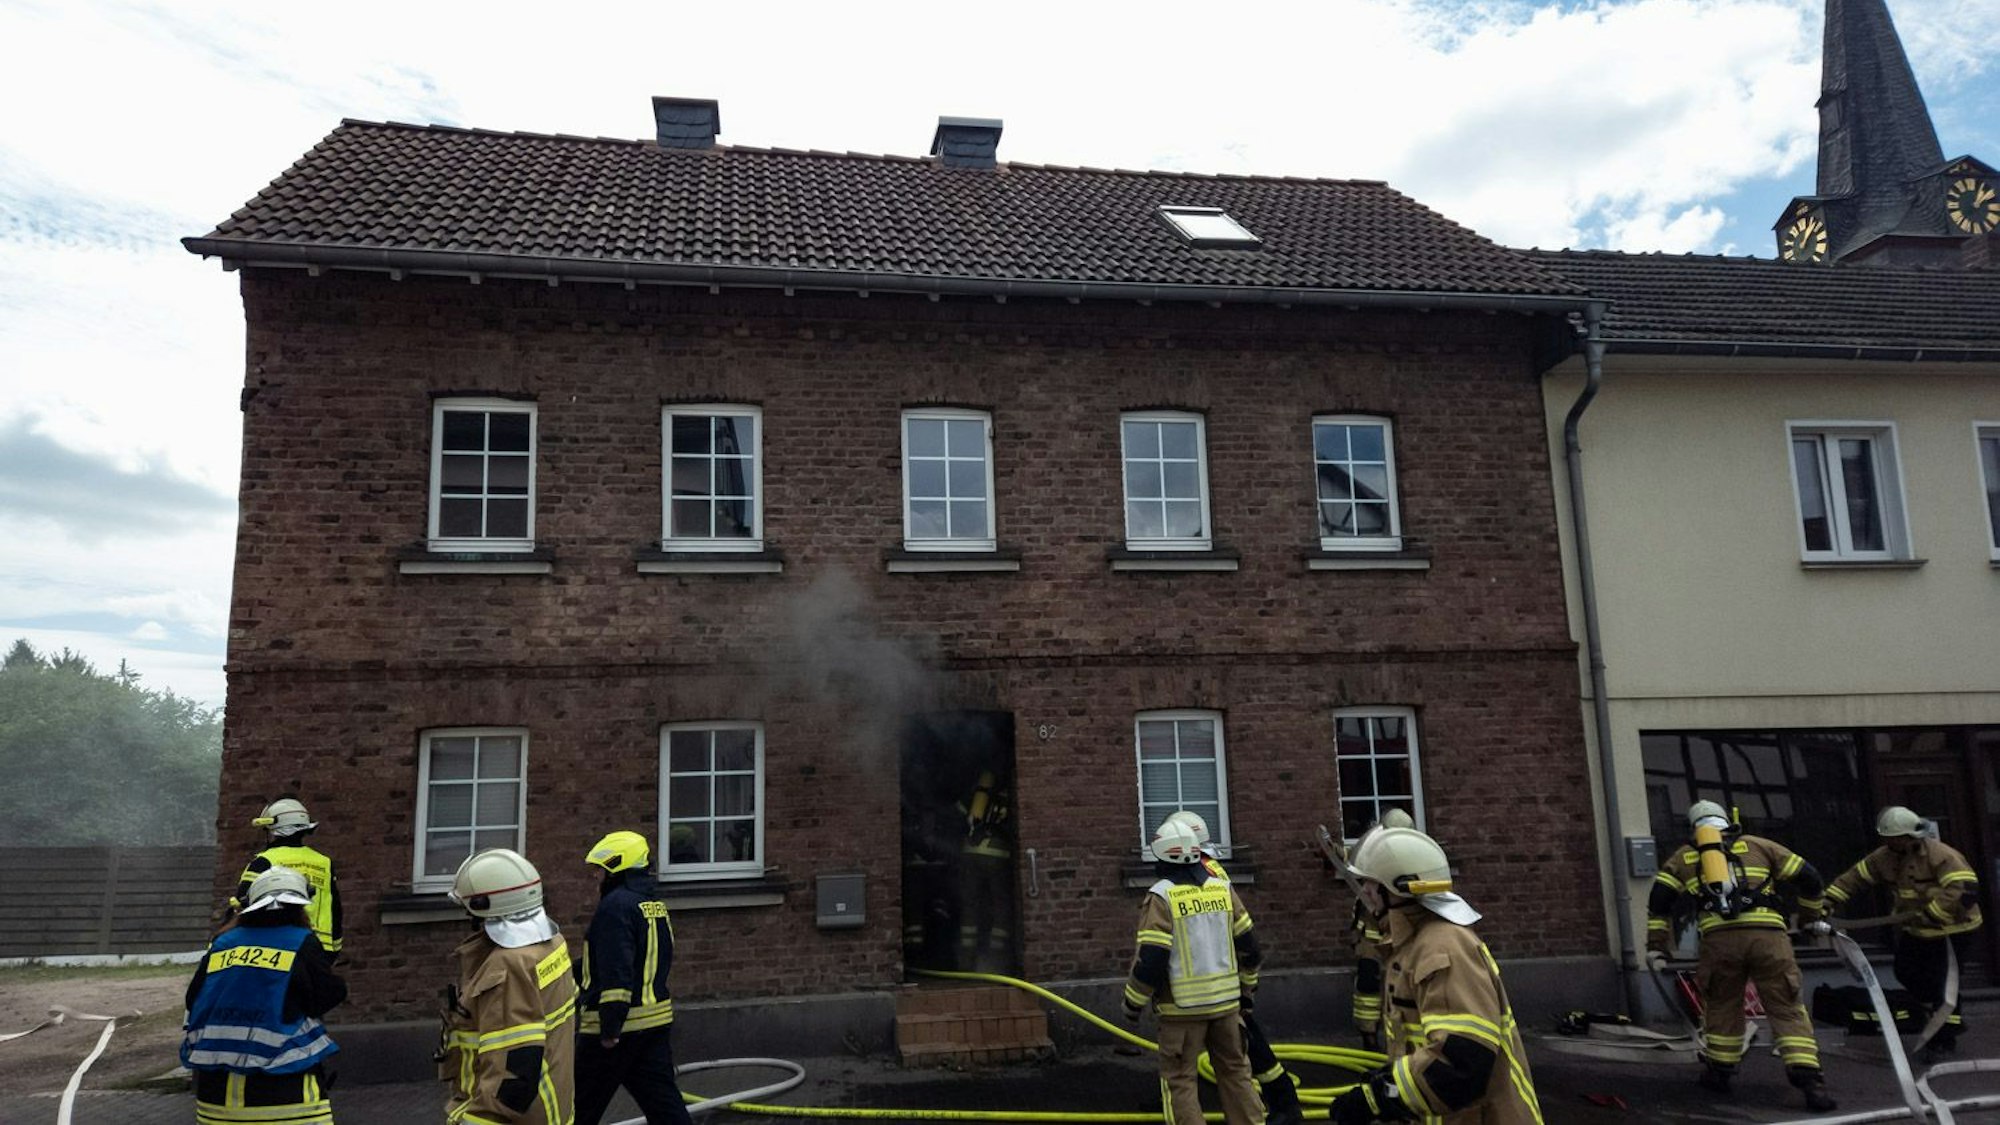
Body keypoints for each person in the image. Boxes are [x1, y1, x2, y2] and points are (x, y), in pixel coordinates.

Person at [1327, 826, 1540, 1125]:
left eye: (1371, 885)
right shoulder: (1412, 946)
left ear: (1398, 890)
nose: (1365, 894)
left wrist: (1379, 1099)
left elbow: (1462, 1063)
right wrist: (1390, 1078)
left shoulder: (1443, 949)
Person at [1646, 800, 1834, 1111]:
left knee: (1721, 1007)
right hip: (1769, 940)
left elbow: (1659, 901)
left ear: (1693, 827)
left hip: (1720, 944)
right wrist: (1811, 917)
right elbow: (1810, 878)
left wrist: (1657, 945)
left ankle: (1719, 1074)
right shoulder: (1760, 845)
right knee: (1786, 1007)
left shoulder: (1684, 857)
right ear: (1728, 820)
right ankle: (1810, 1083)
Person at [1162, 809, 1304, 1125]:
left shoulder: (1200, 876)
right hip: (1227, 979)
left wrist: (1246, 988)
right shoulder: (1215, 870)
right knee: (1240, 1058)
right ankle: (1280, 1101)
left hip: (1210, 982)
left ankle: (1282, 1102)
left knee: (1223, 1062)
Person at [1123, 817, 1264, 1125]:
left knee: (1180, 1082)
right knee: (1237, 1074)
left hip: (1181, 1013)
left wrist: (1131, 1005)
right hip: (1227, 1008)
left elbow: (1151, 962)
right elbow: (1251, 950)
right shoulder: (1223, 889)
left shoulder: (1161, 897)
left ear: (1160, 857)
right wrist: (1247, 993)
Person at [182, 865, 345, 1125]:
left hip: (215, 1099)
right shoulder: (299, 941)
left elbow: (193, 999)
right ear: (299, 907)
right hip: (286, 1098)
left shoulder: (223, 943)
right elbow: (324, 996)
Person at [1825, 806, 1983, 1056]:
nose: (1889, 842)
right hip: (1918, 929)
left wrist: (1934, 914)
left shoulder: (1941, 855)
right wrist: (1827, 902)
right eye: (1887, 838)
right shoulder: (1883, 857)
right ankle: (1941, 1013)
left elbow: (1964, 889)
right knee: (1906, 972)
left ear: (1909, 836)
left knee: (1942, 981)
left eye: (1894, 838)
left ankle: (1944, 1037)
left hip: (1953, 930)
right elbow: (1854, 879)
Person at [440, 848, 577, 1125]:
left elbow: (513, 1067)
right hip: (550, 1104)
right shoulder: (550, 943)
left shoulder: (508, 967)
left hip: (510, 1116)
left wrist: (478, 1119)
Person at [575, 831, 693, 1125]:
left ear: (616, 867)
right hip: (654, 1026)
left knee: (578, 1109)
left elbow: (617, 971)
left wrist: (609, 1029)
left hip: (617, 1030)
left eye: (600, 871)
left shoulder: (614, 907)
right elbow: (638, 960)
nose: (596, 878)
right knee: (665, 1108)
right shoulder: (653, 906)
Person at [233, 797, 342, 959]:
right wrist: (335, 949)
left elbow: (241, 902)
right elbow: (335, 908)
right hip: (319, 947)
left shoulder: (264, 861)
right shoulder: (324, 863)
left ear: (275, 830)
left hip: (276, 948)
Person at [1346, 809, 1415, 1054]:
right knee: (1368, 985)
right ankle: (1369, 1038)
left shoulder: (1412, 857)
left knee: (1399, 988)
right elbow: (1356, 867)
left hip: (1399, 936)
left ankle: (1399, 1045)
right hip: (1370, 938)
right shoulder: (1374, 852)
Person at [956, 768, 1014, 972]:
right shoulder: (1010, 794)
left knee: (970, 905)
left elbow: (958, 813)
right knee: (1001, 905)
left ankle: (966, 960)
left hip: (970, 853)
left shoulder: (978, 793)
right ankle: (996, 958)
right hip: (997, 857)